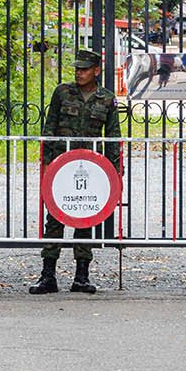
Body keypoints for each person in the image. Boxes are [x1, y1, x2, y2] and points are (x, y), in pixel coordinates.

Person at [31, 48, 121, 295]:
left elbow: (113, 136)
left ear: (96, 71)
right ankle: (47, 275)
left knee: (85, 217)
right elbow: (49, 128)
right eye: (77, 69)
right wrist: (47, 162)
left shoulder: (107, 99)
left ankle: (82, 276)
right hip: (62, 165)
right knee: (55, 218)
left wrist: (115, 171)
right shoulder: (62, 92)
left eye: (84, 69)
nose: (79, 73)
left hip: (91, 167)